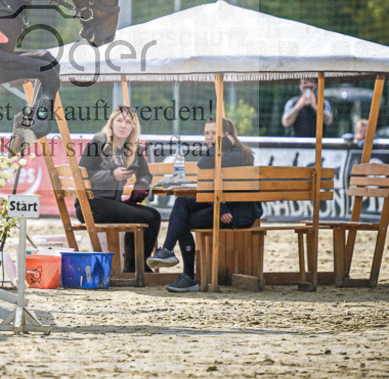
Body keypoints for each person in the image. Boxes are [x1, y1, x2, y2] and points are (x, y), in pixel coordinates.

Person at [147, 117, 261, 293]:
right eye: (206, 133)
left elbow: (203, 165)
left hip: (238, 214)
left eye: (214, 133)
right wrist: (221, 206)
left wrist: (222, 207)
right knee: (182, 202)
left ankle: (186, 274)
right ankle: (169, 253)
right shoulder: (221, 154)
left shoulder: (237, 154)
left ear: (226, 135)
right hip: (223, 207)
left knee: (181, 219)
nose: (209, 137)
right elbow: (211, 186)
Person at [77, 106, 161, 273]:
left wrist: (140, 185)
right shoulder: (99, 142)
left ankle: (134, 265)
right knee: (143, 216)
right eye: (119, 120)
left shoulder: (134, 148)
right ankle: (137, 266)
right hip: (92, 205)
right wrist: (111, 175)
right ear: (112, 123)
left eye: (128, 122)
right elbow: (82, 175)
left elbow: (146, 174)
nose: (123, 125)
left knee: (153, 215)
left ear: (133, 127)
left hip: (113, 204)